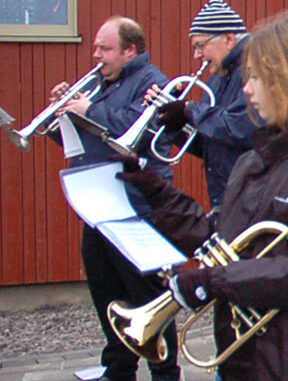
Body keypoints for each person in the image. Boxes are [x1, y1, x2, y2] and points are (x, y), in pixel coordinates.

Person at [114, 10, 288, 380]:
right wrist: (151, 188)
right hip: (238, 358)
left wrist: (211, 282)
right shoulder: (254, 161)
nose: (247, 90)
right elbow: (217, 237)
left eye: (256, 78)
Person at [47, 16, 180, 381]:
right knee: (107, 296)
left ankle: (165, 373)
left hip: (137, 207)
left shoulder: (155, 83)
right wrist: (62, 118)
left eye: (104, 49)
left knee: (148, 297)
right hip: (99, 208)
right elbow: (84, 142)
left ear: (129, 50)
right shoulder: (102, 84)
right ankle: (118, 369)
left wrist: (88, 110)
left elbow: (134, 133)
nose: (96, 56)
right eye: (95, 47)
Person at [146, 0, 261, 208]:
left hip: (253, 198)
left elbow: (240, 128)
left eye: (200, 46)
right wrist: (176, 121)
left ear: (228, 39)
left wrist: (189, 110)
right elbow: (210, 142)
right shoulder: (217, 78)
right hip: (225, 197)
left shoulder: (254, 70)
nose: (196, 55)